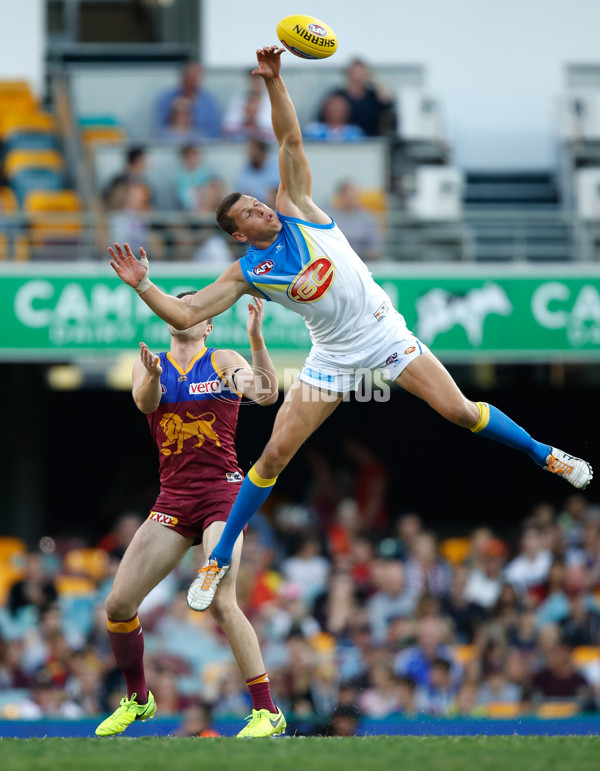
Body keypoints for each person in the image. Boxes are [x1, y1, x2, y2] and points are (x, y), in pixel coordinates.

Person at [108, 45, 593, 612]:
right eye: (249, 213)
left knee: (458, 411)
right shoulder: (247, 272)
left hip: (385, 335)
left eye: (260, 205)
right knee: (273, 456)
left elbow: (290, 140)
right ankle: (216, 561)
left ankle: (544, 454)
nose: (263, 209)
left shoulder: (299, 208)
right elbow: (189, 315)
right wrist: (144, 286)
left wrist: (274, 81)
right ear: (238, 232)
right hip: (332, 358)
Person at [94, 292, 287, 739]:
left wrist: (257, 339)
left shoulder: (222, 359)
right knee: (118, 605)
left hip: (223, 494)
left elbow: (266, 393)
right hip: (173, 500)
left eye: (198, 311)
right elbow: (145, 404)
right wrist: (153, 377)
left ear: (208, 325)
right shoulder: (150, 362)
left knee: (221, 599)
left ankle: (266, 711)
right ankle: (139, 699)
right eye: (180, 309)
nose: (188, 316)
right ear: (169, 321)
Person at [326, 58, 395, 137]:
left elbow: (388, 102)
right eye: (356, 72)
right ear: (349, 73)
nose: (358, 76)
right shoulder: (338, 95)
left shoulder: (372, 96)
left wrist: (375, 80)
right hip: (346, 141)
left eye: (362, 72)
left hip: (370, 140)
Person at [155, 63, 221, 139]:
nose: (194, 80)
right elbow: (160, 124)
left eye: (197, 77)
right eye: (191, 77)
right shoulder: (165, 98)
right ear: (183, 77)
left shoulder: (210, 101)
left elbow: (214, 130)